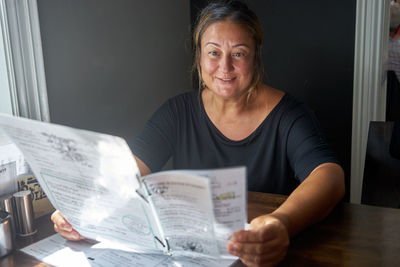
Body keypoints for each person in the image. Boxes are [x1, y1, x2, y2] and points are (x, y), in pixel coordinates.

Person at [51, 1, 345, 266]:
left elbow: (329, 175)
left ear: (256, 56)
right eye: (214, 52)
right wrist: (85, 212)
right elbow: (127, 171)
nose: (225, 67)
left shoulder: (289, 114)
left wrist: (281, 222)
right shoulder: (176, 111)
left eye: (238, 53)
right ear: (199, 57)